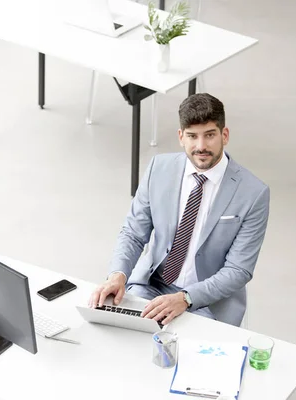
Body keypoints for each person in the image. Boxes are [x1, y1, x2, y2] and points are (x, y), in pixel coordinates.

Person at [88, 93, 270, 327]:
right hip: (150, 286)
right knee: (115, 336)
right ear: (181, 137)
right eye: (192, 136)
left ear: (224, 135)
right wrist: (118, 275)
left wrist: (186, 298)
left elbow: (238, 270)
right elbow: (134, 233)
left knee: (186, 357)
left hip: (206, 303)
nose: (201, 146)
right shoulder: (159, 168)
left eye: (210, 135)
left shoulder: (253, 193)